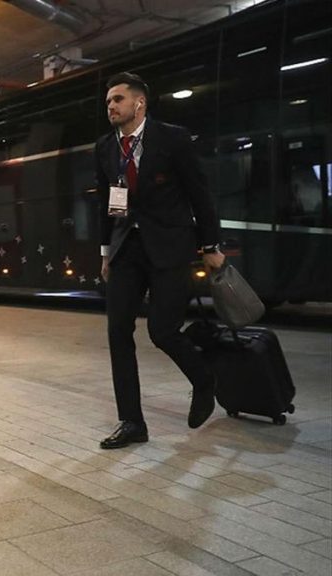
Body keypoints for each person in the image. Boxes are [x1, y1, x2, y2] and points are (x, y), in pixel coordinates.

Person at [96, 72, 225, 450]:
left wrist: (210, 245)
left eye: (117, 99)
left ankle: (203, 381)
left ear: (140, 103)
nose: (111, 107)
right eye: (107, 102)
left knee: (162, 331)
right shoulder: (104, 147)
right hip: (125, 250)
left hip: (170, 246)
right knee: (117, 332)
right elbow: (105, 202)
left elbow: (200, 194)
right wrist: (105, 252)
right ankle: (132, 422)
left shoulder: (173, 138)